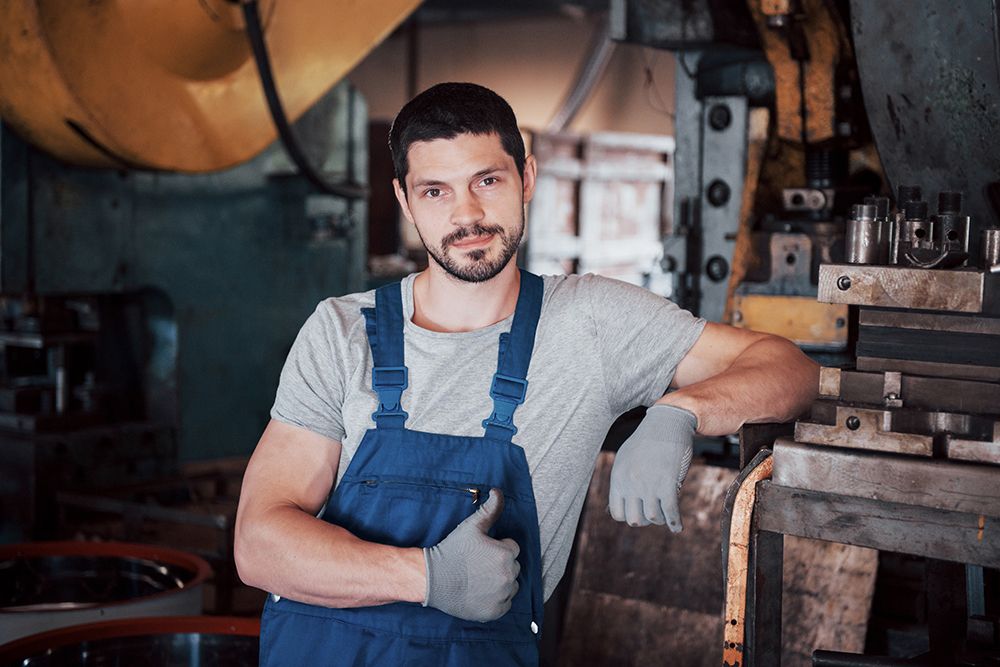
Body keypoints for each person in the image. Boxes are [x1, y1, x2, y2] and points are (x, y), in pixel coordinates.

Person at [234, 82, 818, 666]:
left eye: (487, 181)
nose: (467, 214)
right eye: (435, 191)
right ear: (405, 201)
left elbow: (790, 369)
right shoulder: (341, 332)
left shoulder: (591, 322)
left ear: (527, 179)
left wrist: (681, 412)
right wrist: (427, 577)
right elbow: (260, 545)